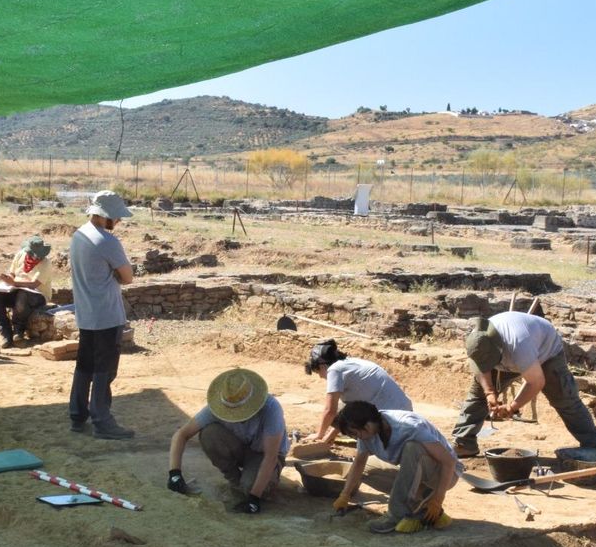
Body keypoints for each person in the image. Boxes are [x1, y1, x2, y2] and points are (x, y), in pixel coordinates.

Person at [451, 312, 596, 463]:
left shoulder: (519, 344)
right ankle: (464, 443)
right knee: (478, 395)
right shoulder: (477, 339)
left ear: (499, 350)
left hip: (546, 352)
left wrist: (512, 407)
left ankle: (595, 447)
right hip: (508, 354)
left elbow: (536, 382)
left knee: (564, 399)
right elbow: (481, 367)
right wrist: (489, 393)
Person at [166, 368, 292, 514]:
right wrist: (174, 474)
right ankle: (236, 482)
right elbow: (181, 435)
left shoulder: (271, 408)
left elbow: (271, 456)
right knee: (209, 434)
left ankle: (253, 487)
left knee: (252, 488)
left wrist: (254, 499)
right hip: (243, 448)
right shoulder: (218, 407)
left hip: (264, 454)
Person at [332, 401, 461, 534]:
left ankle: (396, 514)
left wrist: (438, 499)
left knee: (412, 447)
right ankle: (419, 502)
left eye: (354, 433)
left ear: (368, 426)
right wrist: (345, 494)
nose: (355, 438)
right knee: (366, 469)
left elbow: (449, 462)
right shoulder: (367, 434)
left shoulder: (409, 426)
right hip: (417, 471)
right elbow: (359, 463)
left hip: (443, 475)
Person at [68, 190, 135, 439]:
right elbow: (127, 276)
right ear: (105, 216)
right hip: (106, 314)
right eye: (116, 216)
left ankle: (77, 415)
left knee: (84, 366)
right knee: (104, 370)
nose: (118, 221)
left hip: (86, 314)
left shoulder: (78, 236)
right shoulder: (107, 241)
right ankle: (102, 421)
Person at [302, 338, 413, 444]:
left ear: (322, 366)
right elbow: (346, 411)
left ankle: (375, 441)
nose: (321, 376)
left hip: (392, 421)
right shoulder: (349, 363)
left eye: (318, 372)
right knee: (344, 410)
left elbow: (330, 411)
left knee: (336, 412)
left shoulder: (335, 370)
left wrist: (319, 434)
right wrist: (330, 436)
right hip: (405, 415)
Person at [0, 235, 54, 348]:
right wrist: (8, 278)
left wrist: (14, 283)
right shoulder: (20, 255)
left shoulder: (46, 263)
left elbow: (34, 284)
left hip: (38, 295)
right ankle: (5, 332)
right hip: (16, 289)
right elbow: (12, 273)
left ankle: (18, 332)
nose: (36, 258)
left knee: (22, 296)